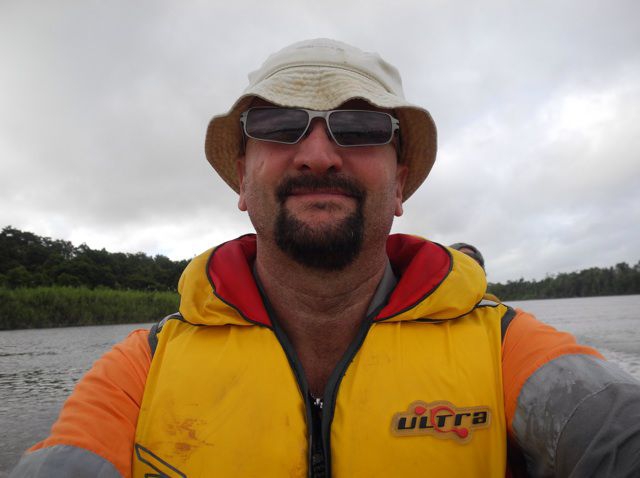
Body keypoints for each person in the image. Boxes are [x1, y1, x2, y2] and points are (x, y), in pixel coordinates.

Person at [11, 39, 640, 478]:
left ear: (400, 184)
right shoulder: (138, 371)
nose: (317, 156)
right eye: (279, 124)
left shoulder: (505, 347)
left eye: (361, 128)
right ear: (241, 178)